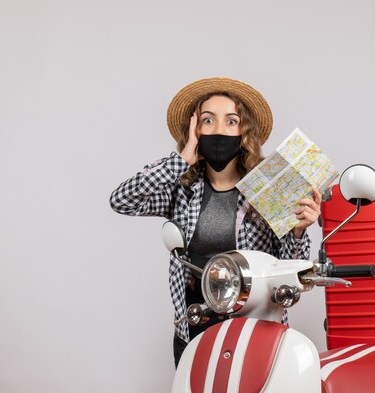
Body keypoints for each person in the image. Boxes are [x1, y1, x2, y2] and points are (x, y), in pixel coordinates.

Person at [109, 77, 321, 367]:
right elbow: (122, 200)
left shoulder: (270, 188)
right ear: (195, 130)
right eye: (208, 120)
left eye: (231, 121)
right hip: (195, 326)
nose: (219, 130)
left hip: (254, 327)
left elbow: (291, 276)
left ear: (244, 131)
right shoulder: (182, 189)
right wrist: (181, 160)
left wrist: (297, 232)